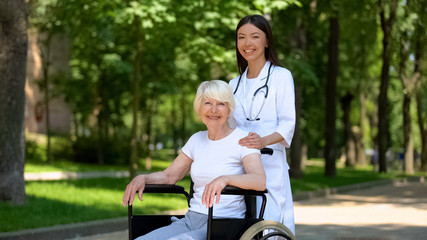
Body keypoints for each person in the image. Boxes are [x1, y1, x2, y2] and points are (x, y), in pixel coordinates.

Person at [122, 80, 266, 240]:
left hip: (223, 224)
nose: (213, 110)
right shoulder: (196, 140)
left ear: (229, 108)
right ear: (199, 108)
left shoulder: (243, 139)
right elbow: (170, 176)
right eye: (207, 103)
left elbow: (259, 181)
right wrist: (143, 178)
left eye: (221, 104)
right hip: (191, 220)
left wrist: (225, 179)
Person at [229, 14, 296, 234]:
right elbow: (229, 127)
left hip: (270, 166)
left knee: (271, 228)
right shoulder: (233, 84)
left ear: (266, 41)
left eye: (254, 36)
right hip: (241, 169)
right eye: (241, 37)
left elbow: (288, 123)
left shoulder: (281, 76)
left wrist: (262, 141)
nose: (247, 43)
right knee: (242, 228)